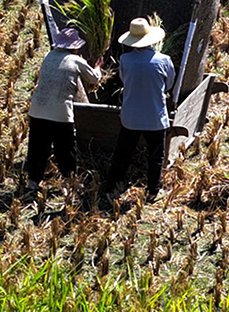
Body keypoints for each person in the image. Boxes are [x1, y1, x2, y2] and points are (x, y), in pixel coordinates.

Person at [105, 17, 176, 202]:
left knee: (123, 153)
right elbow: (169, 85)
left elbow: (123, 79)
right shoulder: (164, 60)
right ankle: (153, 191)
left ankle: (111, 185)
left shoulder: (125, 59)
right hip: (155, 117)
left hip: (130, 117)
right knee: (156, 156)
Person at [26, 27, 103, 194]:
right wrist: (97, 67)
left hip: (38, 109)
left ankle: (33, 181)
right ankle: (69, 180)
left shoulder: (48, 56)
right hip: (60, 112)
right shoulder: (75, 60)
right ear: (74, 47)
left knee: (38, 147)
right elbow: (94, 78)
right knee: (66, 148)